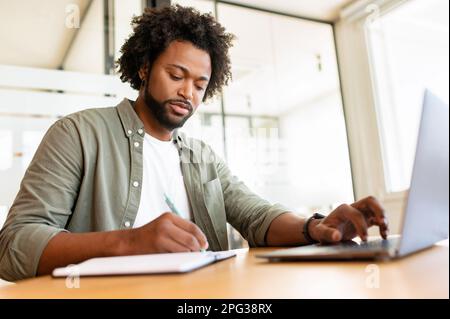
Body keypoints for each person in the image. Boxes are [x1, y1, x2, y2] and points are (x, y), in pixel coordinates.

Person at [0, 5, 388, 282]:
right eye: (176, 74)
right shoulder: (78, 134)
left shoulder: (201, 157)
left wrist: (314, 228)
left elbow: (256, 214)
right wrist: (129, 242)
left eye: (200, 85)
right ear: (144, 67)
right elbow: (14, 247)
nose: (188, 92)